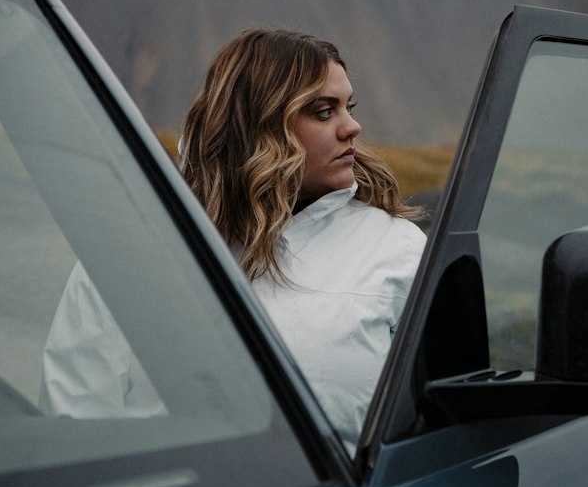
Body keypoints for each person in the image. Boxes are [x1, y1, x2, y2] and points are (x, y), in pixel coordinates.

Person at [180, 28, 425, 451]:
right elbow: (81, 411)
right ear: (257, 125)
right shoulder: (145, 246)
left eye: (349, 107)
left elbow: (440, 427)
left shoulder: (397, 249)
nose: (353, 127)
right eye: (324, 111)